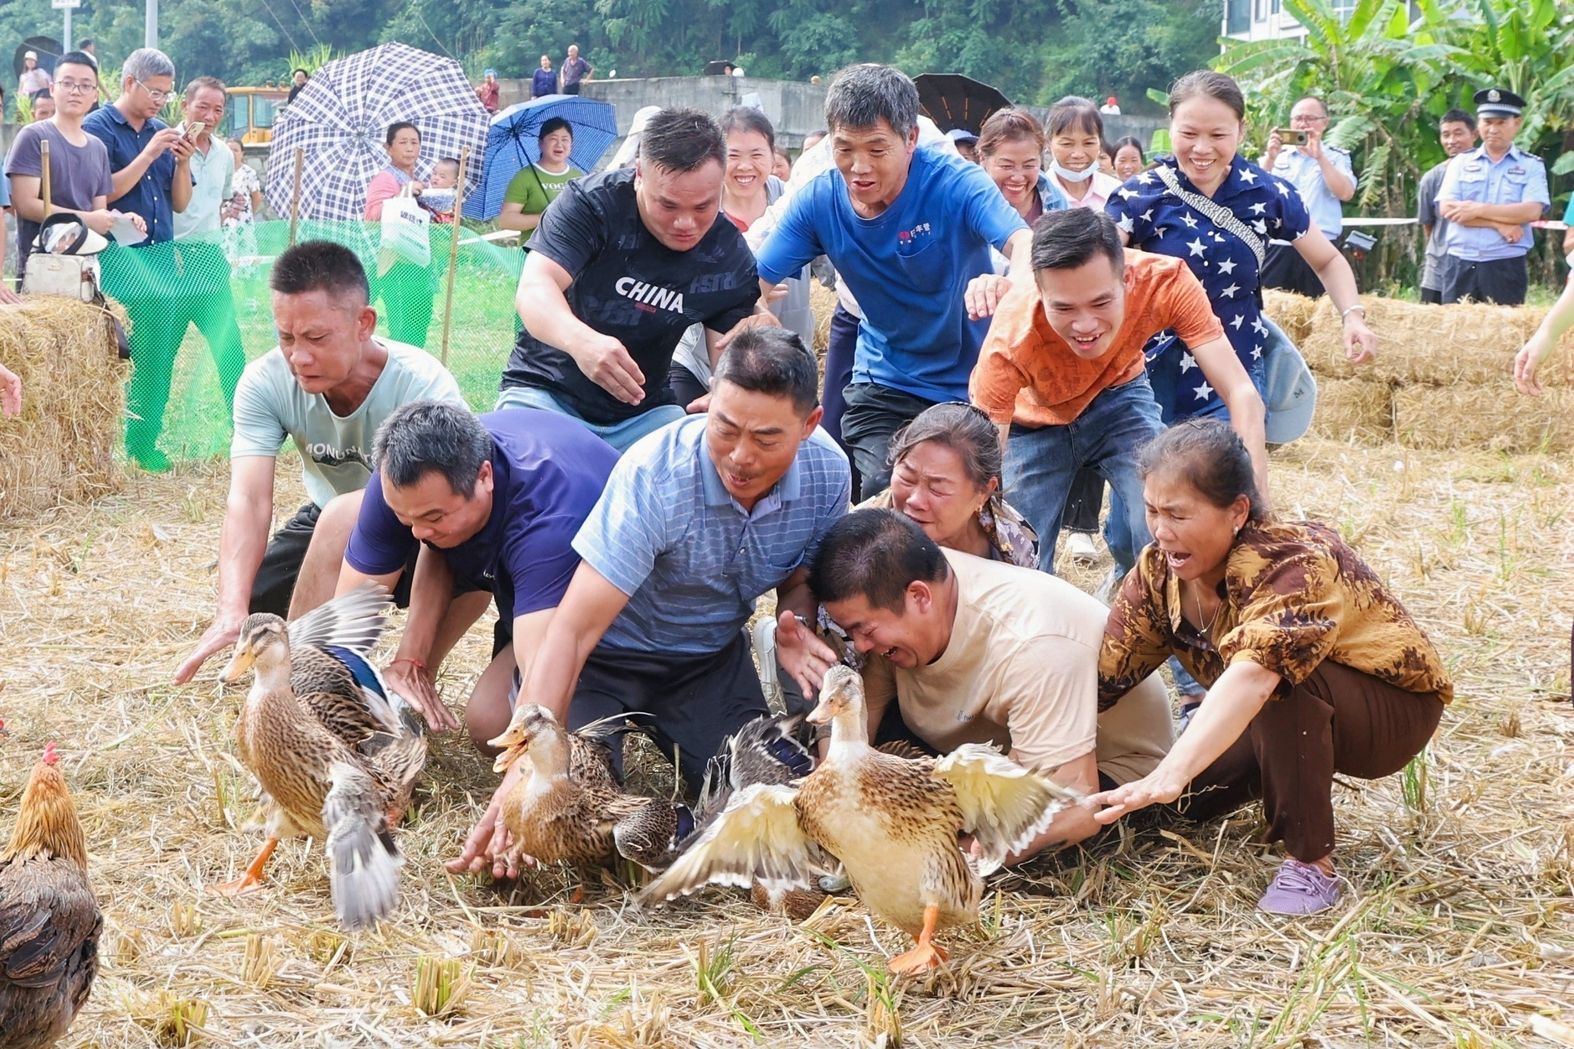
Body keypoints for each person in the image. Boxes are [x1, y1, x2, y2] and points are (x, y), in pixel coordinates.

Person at [448, 329, 851, 879]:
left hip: (707, 661)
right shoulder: (654, 474)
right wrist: (526, 770)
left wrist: (794, 621)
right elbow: (572, 631)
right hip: (604, 661)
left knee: (767, 807)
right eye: (725, 428)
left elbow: (801, 581)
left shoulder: (830, 474)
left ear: (809, 424)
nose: (740, 455)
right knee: (572, 821)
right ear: (707, 400)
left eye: (766, 438)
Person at [1090, 420, 1451, 916]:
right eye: (1152, 510)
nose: (1160, 530)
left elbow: (1257, 674)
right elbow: (1105, 677)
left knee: (1283, 681)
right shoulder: (1157, 572)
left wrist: (1172, 769)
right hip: (1260, 705)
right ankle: (1280, 768)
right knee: (1172, 809)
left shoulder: (1292, 559)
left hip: (1388, 714)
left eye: (1177, 514)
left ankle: (1311, 863)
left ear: (1237, 511)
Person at [781, 507, 1172, 861]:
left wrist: (940, 863)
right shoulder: (904, 585)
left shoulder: (1032, 643)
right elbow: (853, 733)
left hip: (1099, 770)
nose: (860, 646)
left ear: (919, 596)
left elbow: (1075, 809)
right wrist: (830, 805)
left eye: (864, 630)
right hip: (979, 750)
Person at [172, 241, 466, 690]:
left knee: (358, 520)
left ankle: (404, 677)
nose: (298, 357)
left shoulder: (422, 384)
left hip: (419, 527)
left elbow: (455, 504)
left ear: (363, 323)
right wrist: (231, 609)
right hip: (323, 514)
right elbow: (249, 499)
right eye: (286, 337)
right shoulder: (264, 381)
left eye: (316, 338)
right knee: (258, 608)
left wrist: (414, 656)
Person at [755, 64, 1033, 499]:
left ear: (911, 140)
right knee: (892, 491)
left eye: (877, 149)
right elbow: (754, 278)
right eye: (845, 149)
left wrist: (1008, 284)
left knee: (965, 506)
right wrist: (751, 317)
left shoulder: (956, 184)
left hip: (971, 384)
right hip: (884, 381)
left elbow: (1024, 243)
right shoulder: (818, 201)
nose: (859, 168)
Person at [972, 207, 1266, 575]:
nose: (1085, 325)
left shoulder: (1166, 282)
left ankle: (1146, 596)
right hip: (1030, 425)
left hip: (1120, 397)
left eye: (1101, 302)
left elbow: (1241, 393)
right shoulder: (1009, 337)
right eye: (1063, 307)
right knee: (1014, 556)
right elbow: (983, 475)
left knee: (1169, 516)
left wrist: (1256, 514)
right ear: (1039, 290)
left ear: (1127, 279)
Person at [338, 399, 618, 745]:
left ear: (484, 476)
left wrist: (524, 783)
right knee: (340, 518)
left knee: (498, 725)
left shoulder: (546, 521)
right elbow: (346, 624)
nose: (417, 533)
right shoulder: (401, 484)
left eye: (434, 517)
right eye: (405, 519)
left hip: (620, 610)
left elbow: (540, 696)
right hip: (518, 571)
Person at [1105, 70, 1375, 429]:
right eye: (1188, 134)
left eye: (1218, 135)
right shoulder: (1138, 196)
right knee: (1146, 484)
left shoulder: (1268, 193)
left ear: (1242, 131)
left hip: (1235, 375)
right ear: (1170, 125)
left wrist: (1352, 315)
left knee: (1229, 483)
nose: (1202, 149)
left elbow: (1327, 260)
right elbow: (1095, 271)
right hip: (1151, 379)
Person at [499, 108, 763, 452]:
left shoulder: (728, 253)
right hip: (545, 393)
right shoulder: (591, 205)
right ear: (639, 174)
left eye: (702, 207)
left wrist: (730, 390)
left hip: (645, 413)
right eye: (667, 205)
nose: (686, 223)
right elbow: (535, 288)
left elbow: (729, 353)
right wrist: (582, 342)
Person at [83, 47, 197, 471]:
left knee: (159, 353)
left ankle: (143, 442)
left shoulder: (162, 130)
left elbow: (180, 204)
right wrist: (148, 153)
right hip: (116, 257)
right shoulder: (98, 129)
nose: (159, 101)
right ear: (129, 82)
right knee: (116, 354)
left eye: (167, 94)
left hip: (161, 258)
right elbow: (102, 194)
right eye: (154, 91)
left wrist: (181, 163)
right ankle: (103, 444)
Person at [667, 106, 815, 406]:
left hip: (784, 361)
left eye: (757, 154)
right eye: (733, 155)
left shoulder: (795, 205)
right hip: (700, 362)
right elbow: (675, 279)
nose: (745, 166)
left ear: (774, 156)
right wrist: (744, 297)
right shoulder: (698, 207)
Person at [3, 52, 127, 286]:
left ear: (94, 95)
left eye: (85, 85)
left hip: (84, 272)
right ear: (52, 88)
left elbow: (98, 211)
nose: (76, 91)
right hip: (42, 270)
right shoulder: (34, 136)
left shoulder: (97, 148)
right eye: (67, 83)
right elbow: (25, 204)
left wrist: (120, 221)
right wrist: (89, 219)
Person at [169, 76, 247, 423]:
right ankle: (143, 442)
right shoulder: (164, 145)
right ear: (185, 106)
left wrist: (227, 211)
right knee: (161, 353)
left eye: (218, 109)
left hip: (210, 258)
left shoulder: (224, 156)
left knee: (230, 349)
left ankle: (245, 426)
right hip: (169, 260)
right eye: (203, 106)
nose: (210, 115)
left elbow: (221, 199)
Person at [1435, 88, 1549, 307]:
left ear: (1516, 123)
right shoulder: (1461, 162)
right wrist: (1499, 224)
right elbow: (1447, 209)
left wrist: (1477, 209)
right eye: (1487, 122)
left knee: (1505, 336)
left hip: (1505, 263)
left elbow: (1531, 211)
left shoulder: (1530, 165)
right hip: (1460, 262)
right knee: (1454, 334)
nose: (1493, 129)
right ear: (1478, 124)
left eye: (1500, 122)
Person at [1260, 97, 1357, 298]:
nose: (1303, 124)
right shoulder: (1278, 155)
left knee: (1321, 309)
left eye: (1310, 118)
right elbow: (1253, 192)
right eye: (1298, 118)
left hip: (1321, 246)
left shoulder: (1336, 156)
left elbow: (1346, 193)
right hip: (1280, 245)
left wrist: (1320, 157)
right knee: (1270, 308)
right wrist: (1270, 157)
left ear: (1325, 123)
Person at [363, 121, 437, 347]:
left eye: (414, 142)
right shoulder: (385, 179)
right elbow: (373, 216)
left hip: (421, 263)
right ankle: (399, 374)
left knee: (419, 325)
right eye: (402, 142)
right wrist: (404, 193)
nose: (409, 148)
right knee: (404, 328)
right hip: (397, 266)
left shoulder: (422, 179)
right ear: (388, 148)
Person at [1417, 110, 1478, 305]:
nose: (1452, 140)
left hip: (1479, 264)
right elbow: (1428, 225)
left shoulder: (1489, 173)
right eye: (1446, 134)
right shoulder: (1432, 178)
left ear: (1474, 135)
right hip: (1439, 266)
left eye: (1459, 133)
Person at [976, 108, 1068, 229]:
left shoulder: (1055, 202)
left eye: (1029, 166)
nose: (1018, 177)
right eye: (1007, 166)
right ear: (982, 158)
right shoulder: (967, 203)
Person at [498, 117, 582, 235]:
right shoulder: (525, 177)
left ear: (571, 144)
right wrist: (545, 218)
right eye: (553, 139)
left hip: (572, 250)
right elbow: (506, 221)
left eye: (565, 140)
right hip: (534, 250)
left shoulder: (579, 178)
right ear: (540, 143)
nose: (559, 144)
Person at [1045, 97, 1122, 211]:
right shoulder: (1034, 196)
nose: (1078, 154)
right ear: (1047, 142)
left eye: (1088, 143)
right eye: (1067, 144)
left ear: (1100, 143)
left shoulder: (1118, 193)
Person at [221, 138, 262, 262]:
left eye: (236, 150)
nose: (232, 153)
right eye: (229, 150)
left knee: (247, 253)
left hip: (244, 220)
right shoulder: (220, 171)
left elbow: (256, 198)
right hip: (225, 220)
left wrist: (249, 214)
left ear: (242, 153)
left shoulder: (249, 172)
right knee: (227, 252)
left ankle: (247, 279)